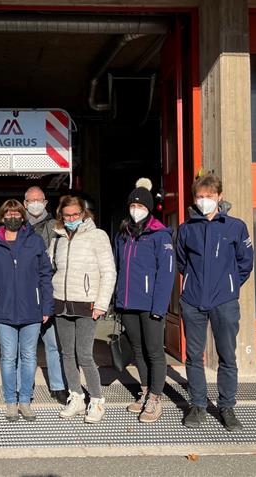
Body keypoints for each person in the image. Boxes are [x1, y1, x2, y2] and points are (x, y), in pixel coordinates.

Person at [176, 172, 254, 431]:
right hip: (193, 300)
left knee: (227, 356)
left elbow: (245, 262)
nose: (204, 200)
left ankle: (227, 407)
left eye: (209, 196)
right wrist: (191, 284)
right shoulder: (187, 228)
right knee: (193, 356)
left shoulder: (235, 227)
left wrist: (229, 285)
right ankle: (197, 405)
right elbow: (180, 262)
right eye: (200, 196)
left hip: (225, 301)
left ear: (220, 197)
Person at [0, 199, 54, 421]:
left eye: (16, 214)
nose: (12, 217)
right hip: (3, 309)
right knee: (8, 357)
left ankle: (25, 400)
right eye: (8, 214)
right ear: (2, 217)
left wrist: (46, 305)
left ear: (23, 217)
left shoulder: (35, 241)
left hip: (32, 308)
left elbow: (45, 275)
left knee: (28, 355)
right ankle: (10, 402)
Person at [48, 195, 116, 424]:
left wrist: (101, 304)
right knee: (67, 354)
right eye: (66, 215)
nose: (71, 218)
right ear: (61, 216)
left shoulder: (97, 236)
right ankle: (75, 396)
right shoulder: (57, 239)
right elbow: (51, 269)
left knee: (85, 355)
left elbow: (109, 272)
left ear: (83, 214)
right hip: (61, 303)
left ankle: (96, 400)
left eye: (75, 214)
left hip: (87, 304)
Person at [113, 178, 175, 423]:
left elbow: (167, 274)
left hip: (151, 305)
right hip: (128, 303)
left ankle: (156, 399)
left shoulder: (160, 235)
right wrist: (116, 300)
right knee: (138, 351)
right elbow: (119, 267)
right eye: (132, 205)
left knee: (154, 352)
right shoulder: (124, 234)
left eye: (140, 206)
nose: (135, 209)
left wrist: (160, 307)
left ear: (149, 209)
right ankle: (146, 390)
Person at [23, 186, 68, 404]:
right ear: (25, 204)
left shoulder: (56, 227)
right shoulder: (18, 228)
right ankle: (26, 388)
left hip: (49, 292)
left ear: (46, 202)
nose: (35, 204)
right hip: (24, 294)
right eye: (31, 200)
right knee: (27, 347)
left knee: (53, 343)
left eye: (39, 200)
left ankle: (58, 386)